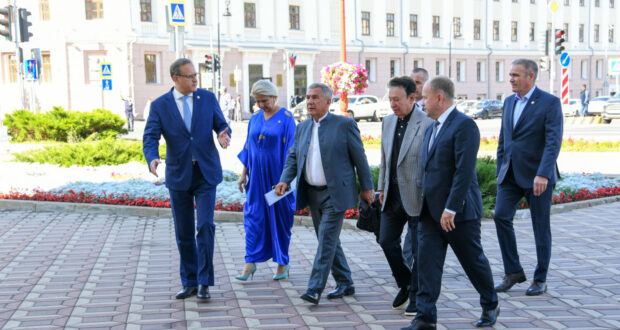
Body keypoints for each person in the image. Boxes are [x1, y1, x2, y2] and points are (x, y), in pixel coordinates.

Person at [402, 76, 499, 330]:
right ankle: (425, 318)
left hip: (458, 213)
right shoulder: (432, 126)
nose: (421, 103)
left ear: (439, 98)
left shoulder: (464, 126)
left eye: (424, 97)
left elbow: (463, 172)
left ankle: (490, 303)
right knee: (427, 266)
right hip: (430, 213)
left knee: (472, 261)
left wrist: (451, 207)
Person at [275, 82, 375, 305]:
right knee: (327, 239)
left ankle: (314, 289)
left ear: (328, 102)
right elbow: (293, 157)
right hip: (312, 193)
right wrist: (284, 180)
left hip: (335, 193)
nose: (310, 101)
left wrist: (367, 187)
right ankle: (345, 282)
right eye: (308, 97)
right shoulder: (302, 128)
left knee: (326, 240)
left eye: (315, 97)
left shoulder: (344, 125)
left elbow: (360, 158)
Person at [142, 58, 231, 301]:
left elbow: (221, 125)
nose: (195, 79)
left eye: (196, 75)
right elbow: (150, 136)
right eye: (190, 76)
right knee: (183, 231)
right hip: (179, 175)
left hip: (205, 173)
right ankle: (189, 281)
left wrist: (224, 135)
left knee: (205, 226)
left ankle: (204, 282)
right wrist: (152, 158)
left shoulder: (207, 98)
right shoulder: (160, 105)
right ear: (176, 78)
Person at [493, 58, 563, 296]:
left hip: (538, 177)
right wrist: (500, 167)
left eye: (515, 75)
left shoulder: (549, 102)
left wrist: (543, 173)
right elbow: (505, 137)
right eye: (510, 75)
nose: (510, 79)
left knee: (540, 227)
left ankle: (540, 278)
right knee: (501, 216)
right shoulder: (509, 101)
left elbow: (553, 142)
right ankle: (513, 272)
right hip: (510, 174)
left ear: (530, 77)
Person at [377, 76, 433, 315]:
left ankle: (416, 296)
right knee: (386, 240)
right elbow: (384, 159)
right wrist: (381, 187)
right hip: (392, 194)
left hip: (418, 195)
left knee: (420, 249)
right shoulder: (388, 122)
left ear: (412, 98)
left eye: (397, 99)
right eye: (390, 99)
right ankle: (405, 282)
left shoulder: (428, 122)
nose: (392, 104)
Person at [236, 80, 296, 281]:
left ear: (273, 97)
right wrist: (243, 174)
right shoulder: (254, 118)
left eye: (264, 100)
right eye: (257, 101)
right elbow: (248, 147)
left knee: (279, 220)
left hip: (279, 180)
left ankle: (282, 262)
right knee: (253, 218)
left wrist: (286, 180)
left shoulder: (286, 118)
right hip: (256, 180)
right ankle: (249, 263)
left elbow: (293, 152)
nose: (261, 105)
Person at [401, 67, 430, 268]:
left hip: (422, 179)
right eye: (411, 81)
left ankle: (410, 262)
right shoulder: (402, 110)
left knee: (417, 225)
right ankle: (409, 262)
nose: (414, 85)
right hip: (404, 179)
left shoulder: (430, 112)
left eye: (418, 82)